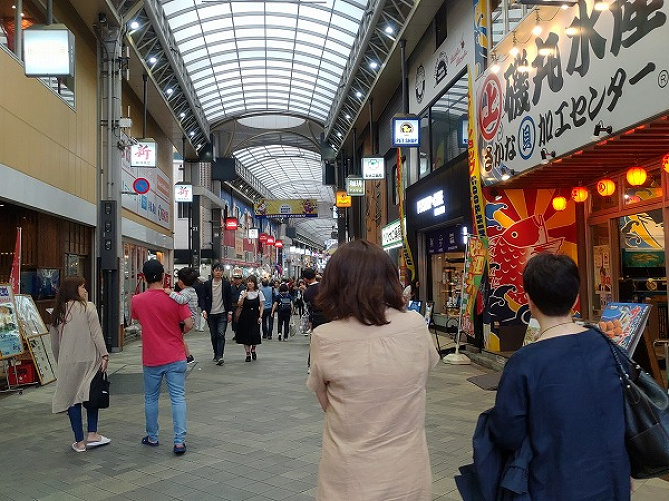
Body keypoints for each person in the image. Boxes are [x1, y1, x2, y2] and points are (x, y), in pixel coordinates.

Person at [485, 253, 629, 499]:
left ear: (528, 300)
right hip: (613, 482)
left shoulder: (525, 361)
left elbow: (507, 433)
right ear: (576, 297)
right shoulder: (608, 346)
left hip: (554, 484)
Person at [307, 240, 440, 500]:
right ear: (389, 278)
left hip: (348, 478)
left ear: (334, 283)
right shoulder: (415, 325)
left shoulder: (325, 337)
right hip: (408, 474)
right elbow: (423, 374)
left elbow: (326, 403)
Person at [132, 260, 193, 455]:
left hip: (151, 356)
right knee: (178, 398)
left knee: (150, 398)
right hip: (175, 354)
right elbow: (189, 323)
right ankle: (179, 441)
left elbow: (139, 321)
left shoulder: (137, 300)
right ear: (163, 275)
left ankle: (152, 436)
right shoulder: (174, 298)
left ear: (144, 277)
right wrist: (178, 332)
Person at [50, 276, 110, 453]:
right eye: (82, 287)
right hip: (90, 359)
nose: (85, 291)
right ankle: (92, 434)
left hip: (67, 361)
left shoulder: (57, 312)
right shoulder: (88, 307)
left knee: (72, 399)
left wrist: (59, 360)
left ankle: (79, 442)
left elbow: (54, 343)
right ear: (74, 289)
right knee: (90, 394)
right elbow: (96, 334)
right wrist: (104, 355)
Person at [165, 266, 199, 364]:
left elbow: (181, 300)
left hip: (185, 320)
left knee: (178, 338)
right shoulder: (191, 290)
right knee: (180, 338)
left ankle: (187, 356)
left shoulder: (186, 292)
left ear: (181, 282)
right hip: (188, 319)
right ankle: (188, 356)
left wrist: (170, 292)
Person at [201, 263, 232, 365]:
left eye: (220, 270)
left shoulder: (226, 284)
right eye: (216, 270)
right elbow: (203, 299)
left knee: (220, 334)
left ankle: (220, 356)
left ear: (223, 272)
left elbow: (229, 299)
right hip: (211, 313)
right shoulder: (207, 284)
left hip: (222, 312)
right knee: (214, 335)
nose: (218, 272)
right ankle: (216, 353)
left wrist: (230, 312)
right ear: (213, 271)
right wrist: (204, 310)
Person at [235, 275, 263, 361]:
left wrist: (260, 316)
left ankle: (253, 349)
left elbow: (261, 305)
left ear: (255, 283)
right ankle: (248, 354)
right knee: (246, 335)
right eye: (248, 282)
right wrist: (243, 297)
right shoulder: (243, 292)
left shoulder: (259, 293)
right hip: (245, 316)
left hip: (255, 316)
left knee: (255, 334)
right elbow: (239, 305)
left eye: (251, 282)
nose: (250, 284)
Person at [230, 268, 246, 339]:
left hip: (241, 307)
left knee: (241, 321)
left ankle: (240, 333)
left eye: (239, 279)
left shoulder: (244, 288)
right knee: (234, 321)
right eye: (235, 279)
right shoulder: (231, 287)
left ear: (241, 279)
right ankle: (235, 333)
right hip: (233, 306)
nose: (237, 280)